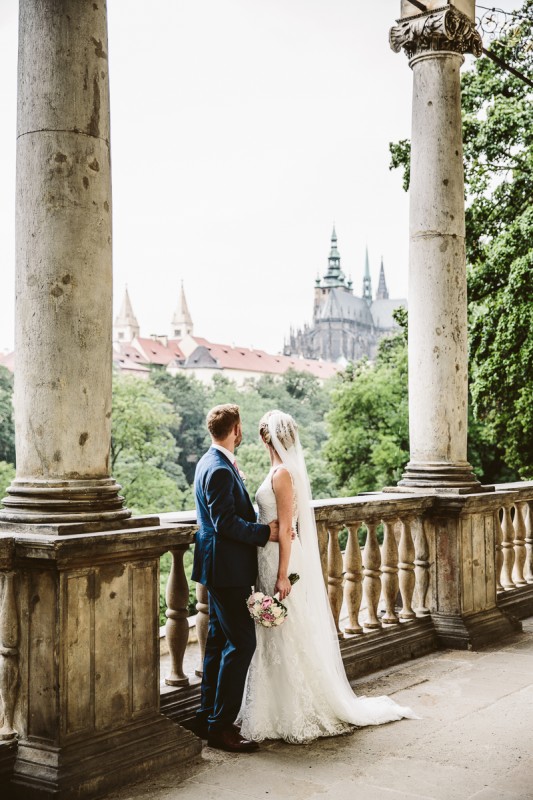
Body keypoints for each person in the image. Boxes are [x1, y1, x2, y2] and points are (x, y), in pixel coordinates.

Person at [238, 409, 418, 743]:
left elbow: (289, 530)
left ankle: (296, 707)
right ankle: (273, 704)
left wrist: (282, 576)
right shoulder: (279, 471)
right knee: (274, 631)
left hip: (281, 559)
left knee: (287, 628)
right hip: (269, 556)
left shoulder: (282, 475)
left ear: (266, 437)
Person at [191, 403, 282, 753]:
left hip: (219, 567)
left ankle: (206, 715)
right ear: (236, 429)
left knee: (217, 641)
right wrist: (264, 533)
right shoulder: (218, 469)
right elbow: (224, 523)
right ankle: (221, 727)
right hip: (226, 570)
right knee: (243, 643)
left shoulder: (210, 461)